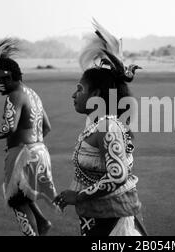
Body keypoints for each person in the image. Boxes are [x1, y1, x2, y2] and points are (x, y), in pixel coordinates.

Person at [53, 19, 147, 236]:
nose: (74, 94)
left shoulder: (107, 127)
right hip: (98, 217)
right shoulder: (98, 123)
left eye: (80, 89)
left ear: (95, 95)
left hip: (111, 221)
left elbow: (117, 175)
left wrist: (78, 196)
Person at [0, 38, 57, 236]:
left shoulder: (14, 96)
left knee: (14, 200)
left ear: (13, 77)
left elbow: (9, 127)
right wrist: (34, 146)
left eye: (2, 80)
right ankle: (42, 222)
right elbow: (46, 126)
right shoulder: (32, 93)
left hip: (23, 154)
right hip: (39, 152)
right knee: (22, 196)